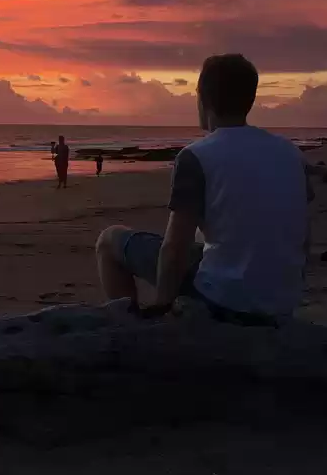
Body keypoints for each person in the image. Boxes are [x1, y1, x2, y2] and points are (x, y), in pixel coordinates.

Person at [94, 54, 312, 325]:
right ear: (250, 100)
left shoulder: (197, 156)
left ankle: (130, 330)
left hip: (225, 301)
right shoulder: (290, 153)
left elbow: (175, 246)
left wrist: (163, 305)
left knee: (110, 240)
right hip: (281, 301)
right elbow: (302, 236)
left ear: (203, 99)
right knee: (202, 241)